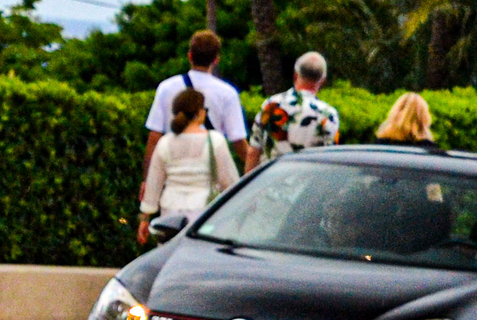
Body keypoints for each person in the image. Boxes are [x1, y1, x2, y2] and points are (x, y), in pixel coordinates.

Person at [139, 85, 240, 244]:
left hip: (170, 213)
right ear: (199, 112)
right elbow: (230, 181)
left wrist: (145, 218)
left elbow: (154, 184)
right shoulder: (215, 141)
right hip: (204, 211)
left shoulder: (165, 142)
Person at [143, 29, 247, 170]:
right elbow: (238, 141)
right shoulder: (227, 93)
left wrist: (146, 180)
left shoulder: (166, 87)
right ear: (216, 60)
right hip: (209, 171)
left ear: (190, 56)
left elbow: (154, 138)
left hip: (173, 170)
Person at [250, 50, 340, 168]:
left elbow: (253, 152)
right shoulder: (328, 114)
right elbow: (330, 160)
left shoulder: (271, 105)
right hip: (305, 182)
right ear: (322, 81)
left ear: (295, 74)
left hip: (269, 181)